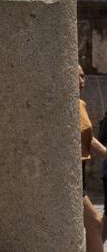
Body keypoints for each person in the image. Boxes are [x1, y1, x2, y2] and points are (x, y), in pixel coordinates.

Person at [79, 64, 107, 251]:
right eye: (77, 76)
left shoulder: (80, 105)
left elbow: (89, 139)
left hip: (80, 173)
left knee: (95, 223)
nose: (82, 81)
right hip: (67, 175)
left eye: (83, 76)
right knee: (95, 222)